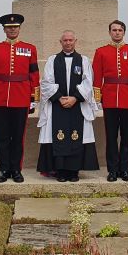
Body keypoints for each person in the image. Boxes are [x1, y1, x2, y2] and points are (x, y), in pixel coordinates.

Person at [37, 30, 100, 181]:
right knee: (58, 136)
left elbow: (88, 82)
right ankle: (60, 172)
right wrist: (59, 98)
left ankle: (73, 172)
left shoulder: (83, 60)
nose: (68, 43)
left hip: (77, 105)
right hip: (57, 106)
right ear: (61, 42)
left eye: (71, 40)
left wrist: (75, 98)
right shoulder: (52, 60)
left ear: (75, 41)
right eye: (65, 40)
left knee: (75, 137)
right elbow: (46, 82)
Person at [0, 13, 40, 183]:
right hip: (1, 98)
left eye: (15, 27)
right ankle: (3, 169)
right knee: (1, 136)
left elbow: (34, 74)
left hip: (21, 97)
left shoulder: (30, 48)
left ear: (19, 28)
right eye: (9, 27)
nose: (12, 29)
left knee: (17, 137)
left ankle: (16, 169)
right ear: (4, 29)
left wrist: (34, 97)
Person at [92, 20, 128, 182]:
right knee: (110, 137)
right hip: (109, 99)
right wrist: (97, 98)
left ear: (124, 32)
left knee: (126, 137)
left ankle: (125, 170)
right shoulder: (101, 52)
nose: (117, 33)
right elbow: (97, 77)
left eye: (120, 30)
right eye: (114, 30)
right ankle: (112, 170)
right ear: (109, 32)